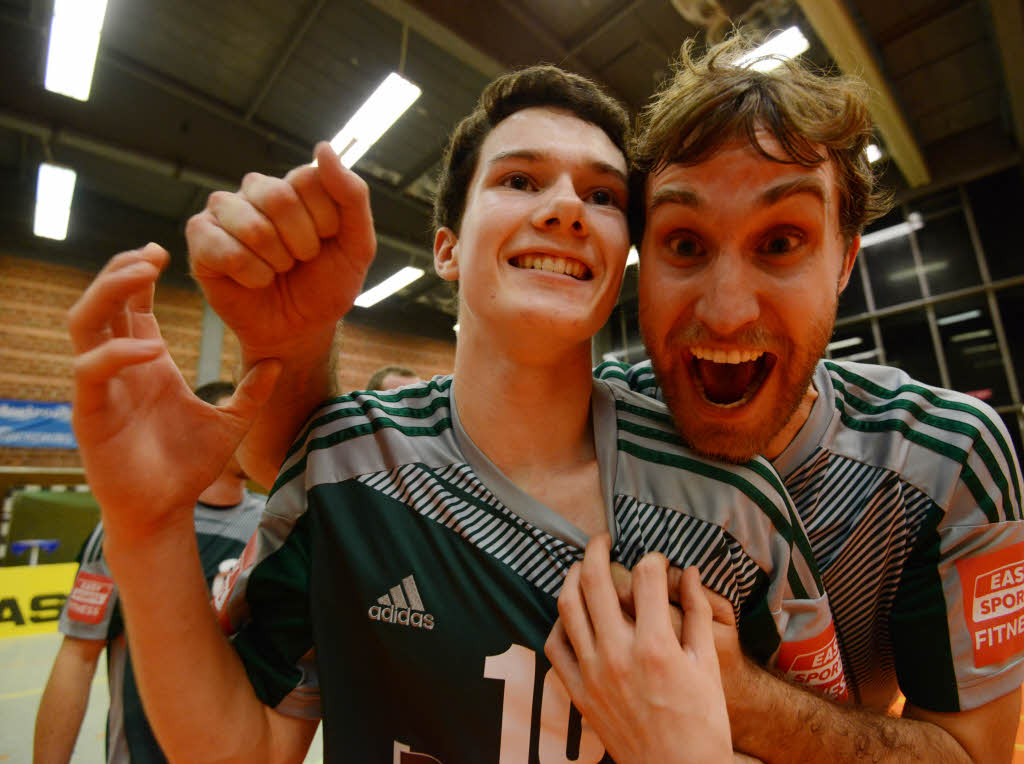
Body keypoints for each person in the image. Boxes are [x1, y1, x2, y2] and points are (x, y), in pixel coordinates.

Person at [68, 64, 841, 763]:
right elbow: (244, 751)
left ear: (620, 257)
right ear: (445, 248)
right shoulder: (344, 464)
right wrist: (148, 526)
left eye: (603, 196)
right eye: (520, 180)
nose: (568, 207)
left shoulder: (734, 499)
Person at [568, 36, 1024, 762]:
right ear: (642, 260)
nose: (723, 311)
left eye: (780, 241)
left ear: (844, 259)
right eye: (684, 244)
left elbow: (975, 754)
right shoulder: (581, 432)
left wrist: (744, 699)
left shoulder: (946, 458)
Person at [33, 381, 265, 764]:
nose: (253, 430)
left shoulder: (272, 525)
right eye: (238, 419)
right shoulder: (134, 522)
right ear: (198, 431)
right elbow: (78, 654)